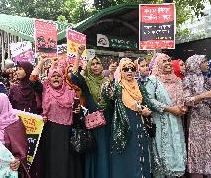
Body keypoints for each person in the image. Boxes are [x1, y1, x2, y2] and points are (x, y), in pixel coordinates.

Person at [102, 58, 152, 178]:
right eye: (125, 69)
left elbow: (147, 103)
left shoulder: (139, 85)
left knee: (140, 153)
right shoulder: (117, 85)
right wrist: (110, 77)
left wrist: (146, 110)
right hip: (123, 127)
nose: (129, 71)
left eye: (132, 69)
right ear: (121, 71)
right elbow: (105, 95)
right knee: (126, 155)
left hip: (139, 125)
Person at [70, 45, 113, 178]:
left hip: (108, 119)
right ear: (89, 67)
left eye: (97, 63)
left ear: (101, 66)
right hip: (95, 122)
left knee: (107, 148)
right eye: (92, 64)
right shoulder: (86, 81)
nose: (95, 66)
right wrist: (78, 54)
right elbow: (74, 76)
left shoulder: (107, 80)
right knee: (97, 149)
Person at [31, 57, 77, 178]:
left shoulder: (70, 91)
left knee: (64, 157)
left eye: (58, 76)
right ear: (49, 78)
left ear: (63, 78)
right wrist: (41, 62)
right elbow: (33, 79)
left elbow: (77, 108)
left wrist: (77, 110)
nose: (56, 78)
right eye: (53, 76)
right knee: (52, 156)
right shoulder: (45, 89)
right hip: (50, 128)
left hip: (66, 130)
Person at [145, 54, 187, 177]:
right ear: (158, 64)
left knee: (176, 145)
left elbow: (181, 98)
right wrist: (169, 109)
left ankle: (175, 173)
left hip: (176, 120)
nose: (168, 63)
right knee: (162, 148)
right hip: (161, 120)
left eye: (169, 60)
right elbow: (149, 100)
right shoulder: (152, 80)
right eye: (164, 61)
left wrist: (182, 108)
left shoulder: (177, 80)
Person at [182, 55, 211, 178]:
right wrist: (202, 96)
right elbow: (186, 100)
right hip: (196, 119)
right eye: (203, 62)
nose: (207, 64)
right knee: (197, 149)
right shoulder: (189, 79)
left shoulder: (206, 77)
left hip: (208, 117)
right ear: (196, 64)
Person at [0, 93, 29, 177]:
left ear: (3, 105)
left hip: (7, 169)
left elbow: (21, 151)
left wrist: (18, 161)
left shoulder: (16, 124)